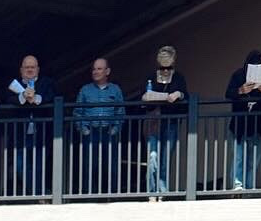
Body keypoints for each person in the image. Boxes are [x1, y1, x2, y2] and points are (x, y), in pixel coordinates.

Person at [138, 46, 188, 198]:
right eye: (162, 68)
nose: (165, 71)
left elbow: (186, 97)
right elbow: (143, 98)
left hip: (171, 122)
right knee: (153, 156)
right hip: (153, 122)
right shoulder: (151, 77)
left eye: (168, 67)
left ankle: (162, 192)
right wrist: (148, 97)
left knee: (165, 158)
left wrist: (178, 94)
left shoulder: (178, 78)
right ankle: (152, 192)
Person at [73, 58, 127, 196]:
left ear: (107, 71)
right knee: (90, 165)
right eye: (94, 69)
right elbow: (78, 112)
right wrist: (84, 130)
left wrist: (115, 130)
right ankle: (88, 195)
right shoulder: (85, 90)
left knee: (111, 165)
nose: (95, 72)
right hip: (91, 131)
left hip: (109, 131)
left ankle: (111, 195)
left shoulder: (115, 89)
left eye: (99, 69)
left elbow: (120, 112)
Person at [225, 50, 261, 190]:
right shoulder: (239, 75)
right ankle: (238, 185)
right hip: (238, 125)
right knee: (239, 157)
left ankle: (249, 187)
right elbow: (228, 93)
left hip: (257, 125)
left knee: (254, 160)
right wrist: (241, 90)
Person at [9, 54, 55, 197]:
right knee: (21, 168)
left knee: (39, 167)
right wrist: (23, 96)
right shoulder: (13, 84)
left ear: (38, 69)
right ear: (21, 70)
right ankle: (37, 194)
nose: (29, 70)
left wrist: (35, 98)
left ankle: (38, 196)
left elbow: (52, 97)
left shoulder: (47, 83)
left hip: (41, 134)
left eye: (32, 67)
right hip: (20, 135)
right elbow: (7, 99)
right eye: (27, 67)